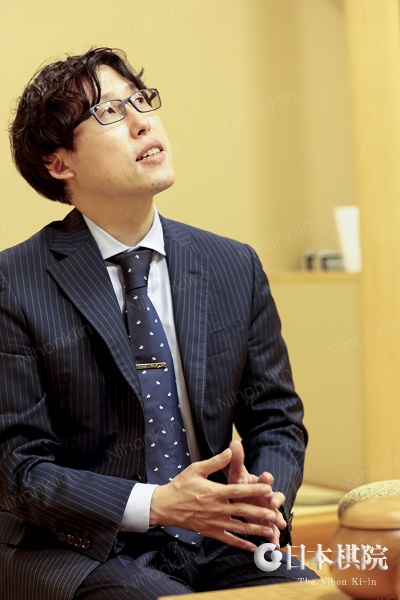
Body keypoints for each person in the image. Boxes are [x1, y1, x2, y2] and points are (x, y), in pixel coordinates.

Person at [0, 47, 318, 599]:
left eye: (141, 100)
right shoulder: (14, 281)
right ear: (59, 163)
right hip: (78, 549)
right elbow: (18, 468)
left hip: (218, 537)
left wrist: (263, 496)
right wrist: (159, 505)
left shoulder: (232, 264)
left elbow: (276, 418)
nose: (143, 121)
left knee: (309, 590)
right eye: (110, 111)